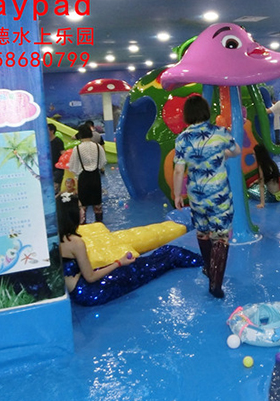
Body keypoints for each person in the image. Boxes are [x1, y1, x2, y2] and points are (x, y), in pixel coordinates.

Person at [57, 194, 202, 306]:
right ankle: (191, 258)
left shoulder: (57, 238)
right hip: (88, 292)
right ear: (70, 213)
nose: (83, 211)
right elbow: (90, 277)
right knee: (136, 270)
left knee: (137, 266)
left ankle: (173, 255)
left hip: (79, 291)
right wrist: (118, 263)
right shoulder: (75, 242)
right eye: (79, 208)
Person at [172, 95, 241, 298]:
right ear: (206, 111)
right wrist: (222, 154)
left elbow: (178, 170)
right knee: (221, 236)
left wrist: (177, 195)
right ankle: (216, 283)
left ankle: (209, 269)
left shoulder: (182, 138)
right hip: (219, 193)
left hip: (196, 195)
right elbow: (236, 150)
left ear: (187, 115)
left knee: (203, 233)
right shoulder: (220, 132)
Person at [68, 125, 107, 223]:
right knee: (97, 204)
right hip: (95, 177)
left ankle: (83, 225)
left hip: (83, 178)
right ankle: (99, 224)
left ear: (80, 135)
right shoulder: (98, 147)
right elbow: (103, 162)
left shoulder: (77, 149)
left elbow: (72, 166)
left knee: (82, 205)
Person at [48, 123, 65, 193]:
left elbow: (62, 153)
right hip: (49, 168)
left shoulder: (58, 141)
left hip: (57, 168)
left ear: (52, 131)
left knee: (56, 188)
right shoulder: (45, 142)